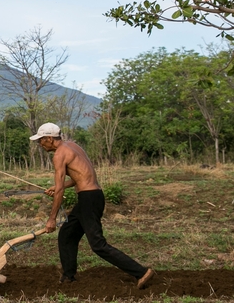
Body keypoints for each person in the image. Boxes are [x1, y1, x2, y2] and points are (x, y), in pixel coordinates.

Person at [31, 122, 155, 289]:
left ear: (49, 139)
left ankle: (141, 272)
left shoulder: (59, 155)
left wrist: (51, 218)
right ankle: (68, 277)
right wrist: (58, 187)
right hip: (92, 197)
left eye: (40, 140)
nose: (39, 144)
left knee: (98, 245)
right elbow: (81, 176)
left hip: (88, 199)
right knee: (67, 234)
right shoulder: (73, 146)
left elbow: (60, 191)